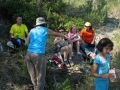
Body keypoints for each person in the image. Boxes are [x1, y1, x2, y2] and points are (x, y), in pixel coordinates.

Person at [25, 17, 67, 90]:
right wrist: (64, 36)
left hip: (28, 54)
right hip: (38, 55)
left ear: (37, 24)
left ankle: (35, 87)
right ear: (44, 24)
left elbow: (26, 43)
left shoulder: (31, 30)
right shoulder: (45, 30)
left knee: (32, 75)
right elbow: (56, 34)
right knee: (40, 76)